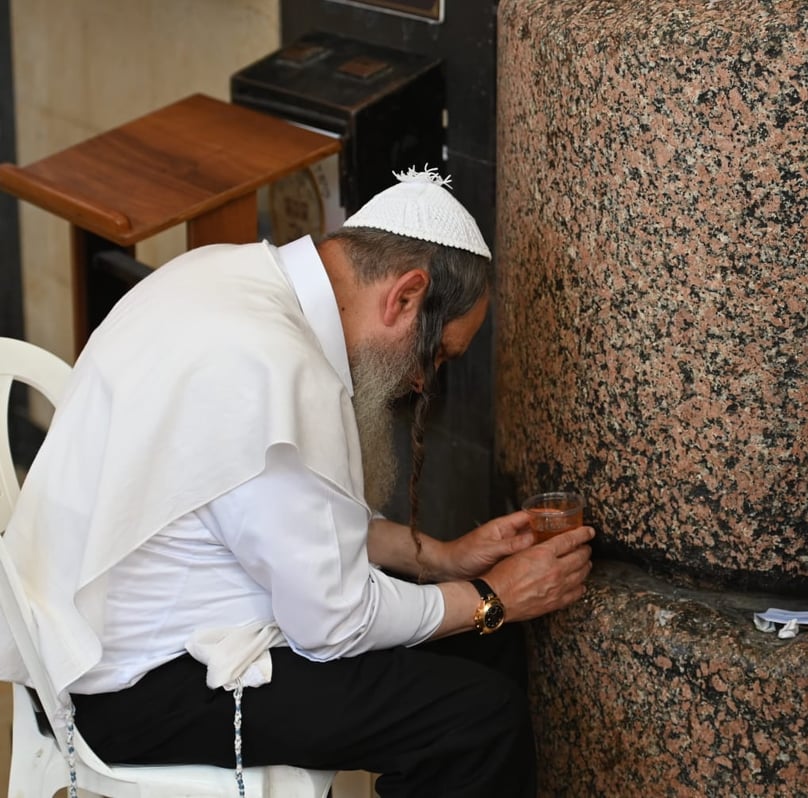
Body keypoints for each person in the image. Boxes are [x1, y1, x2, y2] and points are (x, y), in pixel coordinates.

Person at [0, 166, 594, 797]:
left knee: (485, 649)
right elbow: (333, 624)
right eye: (437, 354)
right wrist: (490, 596)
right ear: (406, 296)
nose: (423, 383)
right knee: (476, 721)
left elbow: (291, 524)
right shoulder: (275, 363)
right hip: (134, 688)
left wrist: (443, 559)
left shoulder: (226, 276)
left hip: (117, 622)